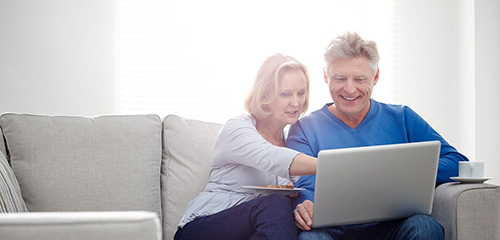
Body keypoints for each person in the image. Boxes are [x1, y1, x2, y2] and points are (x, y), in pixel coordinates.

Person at [286, 32, 469, 240]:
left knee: (424, 226)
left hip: (391, 227)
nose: (349, 88)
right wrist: (305, 204)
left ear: (375, 77)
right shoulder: (304, 128)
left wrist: (406, 173)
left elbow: (457, 162)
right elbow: (305, 185)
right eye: (340, 78)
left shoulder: (402, 117)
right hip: (331, 230)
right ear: (326, 77)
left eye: (359, 79)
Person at [174, 53, 317, 240]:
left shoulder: (292, 140)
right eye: (285, 94)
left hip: (251, 232)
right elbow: (270, 156)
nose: (296, 102)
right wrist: (331, 166)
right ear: (265, 94)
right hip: (202, 228)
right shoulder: (237, 129)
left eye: (301, 93)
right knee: (274, 204)